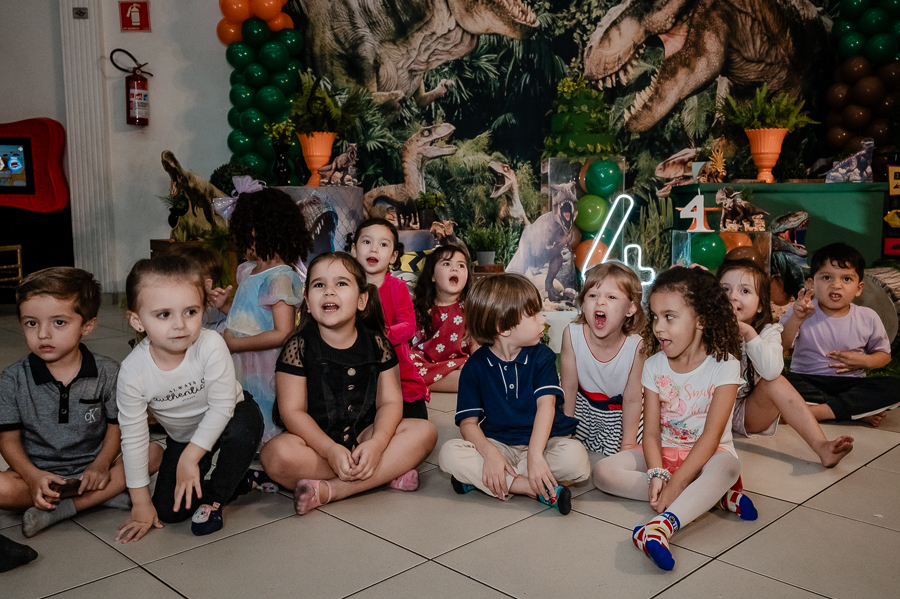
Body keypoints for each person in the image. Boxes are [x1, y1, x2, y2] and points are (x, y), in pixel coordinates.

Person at [593, 266, 756, 571]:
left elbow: (711, 436)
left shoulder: (725, 366)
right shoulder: (654, 365)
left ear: (701, 320)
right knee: (603, 472)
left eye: (669, 317)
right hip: (664, 452)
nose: (658, 327)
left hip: (708, 455)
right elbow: (651, 433)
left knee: (728, 467)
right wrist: (657, 473)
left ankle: (659, 528)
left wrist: (677, 483)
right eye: (655, 317)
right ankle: (710, 497)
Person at [260, 252, 438, 515]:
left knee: (425, 431)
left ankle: (333, 490)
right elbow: (292, 412)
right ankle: (384, 473)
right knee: (275, 456)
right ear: (307, 300)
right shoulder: (298, 347)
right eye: (319, 285)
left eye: (341, 283)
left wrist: (377, 444)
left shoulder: (378, 344)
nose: (329, 291)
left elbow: (390, 402)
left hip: (365, 435)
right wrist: (330, 449)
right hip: (316, 445)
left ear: (362, 299)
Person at [116, 255, 263, 542]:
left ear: (203, 309)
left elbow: (222, 406)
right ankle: (237, 480)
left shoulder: (211, 344)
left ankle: (216, 498)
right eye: (164, 314)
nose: (180, 325)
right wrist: (140, 503)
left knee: (242, 430)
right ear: (137, 320)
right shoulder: (132, 372)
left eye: (190, 312)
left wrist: (190, 458)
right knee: (168, 512)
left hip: (232, 415)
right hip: (184, 437)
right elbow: (133, 437)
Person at [438, 274, 590, 514]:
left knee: (576, 460)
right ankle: (531, 487)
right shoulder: (474, 367)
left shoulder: (543, 357)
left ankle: (491, 480)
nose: (543, 319)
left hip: (543, 443)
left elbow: (546, 406)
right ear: (504, 327)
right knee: (448, 454)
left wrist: (535, 455)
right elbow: (468, 424)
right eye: (534, 314)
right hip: (499, 445)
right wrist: (490, 455)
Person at [0, 268, 135, 538]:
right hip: (40, 476)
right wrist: (32, 476)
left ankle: (66, 507)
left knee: (153, 453)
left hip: (95, 470)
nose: (43, 334)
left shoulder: (108, 372)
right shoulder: (12, 378)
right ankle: (104, 496)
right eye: (31, 323)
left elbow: (116, 426)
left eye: (59, 322)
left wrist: (101, 464)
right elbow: (8, 440)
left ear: (87, 325)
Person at [717, 259, 853, 467]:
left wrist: (749, 334)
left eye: (744, 291)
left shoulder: (768, 332)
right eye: (725, 289)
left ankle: (821, 446)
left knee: (776, 382)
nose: (732, 296)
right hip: (709, 413)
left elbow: (771, 371)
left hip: (746, 413)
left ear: (760, 305)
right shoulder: (704, 329)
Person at [213, 186, 309, 444]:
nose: (241, 244)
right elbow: (248, 317)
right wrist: (225, 306)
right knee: (239, 401)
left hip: (262, 361)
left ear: (259, 232)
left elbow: (283, 332)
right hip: (240, 358)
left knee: (259, 402)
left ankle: (264, 444)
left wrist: (236, 345)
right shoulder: (247, 270)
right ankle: (240, 442)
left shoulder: (279, 278)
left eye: (244, 235)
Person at [781, 243, 900, 427]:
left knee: (894, 386)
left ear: (859, 288)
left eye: (846, 279)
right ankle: (853, 411)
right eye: (826, 277)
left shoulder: (868, 316)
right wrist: (796, 318)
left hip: (850, 384)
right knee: (775, 383)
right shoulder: (801, 310)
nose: (836, 285)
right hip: (806, 380)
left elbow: (884, 356)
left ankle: (817, 411)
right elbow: (780, 346)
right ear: (811, 283)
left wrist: (863, 360)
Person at [560, 262, 647, 456]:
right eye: (592, 295)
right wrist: (566, 431)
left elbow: (632, 400)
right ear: (583, 304)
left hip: (620, 414)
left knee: (645, 445)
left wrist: (627, 444)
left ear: (630, 308)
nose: (600, 302)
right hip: (582, 409)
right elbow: (569, 387)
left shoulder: (636, 347)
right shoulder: (572, 334)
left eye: (611, 297)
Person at [348, 218, 430, 419]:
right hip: (357, 373)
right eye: (367, 242)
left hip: (398, 373)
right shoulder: (347, 289)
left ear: (393, 256)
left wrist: (383, 334)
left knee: (418, 423)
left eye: (383, 244)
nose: (374, 249)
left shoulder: (397, 287)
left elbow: (409, 325)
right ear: (354, 250)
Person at [410, 244, 473, 393]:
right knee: (404, 366)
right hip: (425, 362)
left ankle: (424, 382)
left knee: (477, 370)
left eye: (461, 265)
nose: (455, 269)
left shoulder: (471, 307)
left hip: (459, 363)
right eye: (446, 264)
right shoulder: (421, 307)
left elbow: (476, 345)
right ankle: (455, 382)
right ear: (432, 275)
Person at [164, 244, 228, 333]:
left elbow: (241, 322)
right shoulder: (163, 306)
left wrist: (224, 306)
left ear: (207, 286)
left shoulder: (212, 309)